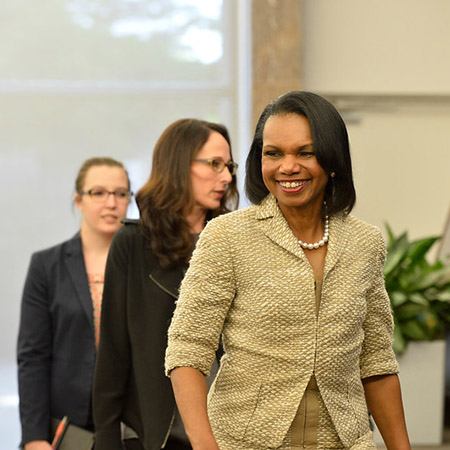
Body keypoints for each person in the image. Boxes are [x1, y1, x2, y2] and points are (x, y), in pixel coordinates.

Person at [165, 91, 411, 449]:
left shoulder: (364, 243)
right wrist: (205, 445)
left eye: (305, 152)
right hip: (244, 442)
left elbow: (376, 362)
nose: (287, 167)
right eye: (273, 153)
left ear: (332, 159)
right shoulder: (227, 236)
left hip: (345, 442)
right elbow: (188, 350)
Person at [92, 118, 239, 450]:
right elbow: (113, 353)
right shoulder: (132, 242)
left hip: (227, 431)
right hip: (157, 434)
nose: (227, 177)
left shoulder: (235, 241)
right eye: (215, 164)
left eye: (229, 166)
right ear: (179, 164)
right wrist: (106, 439)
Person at [17, 157, 132, 449]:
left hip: (132, 425)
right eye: (99, 193)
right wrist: (34, 437)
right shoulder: (46, 265)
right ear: (79, 200)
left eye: (121, 193)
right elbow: (33, 358)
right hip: (69, 427)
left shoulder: (145, 264)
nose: (111, 202)